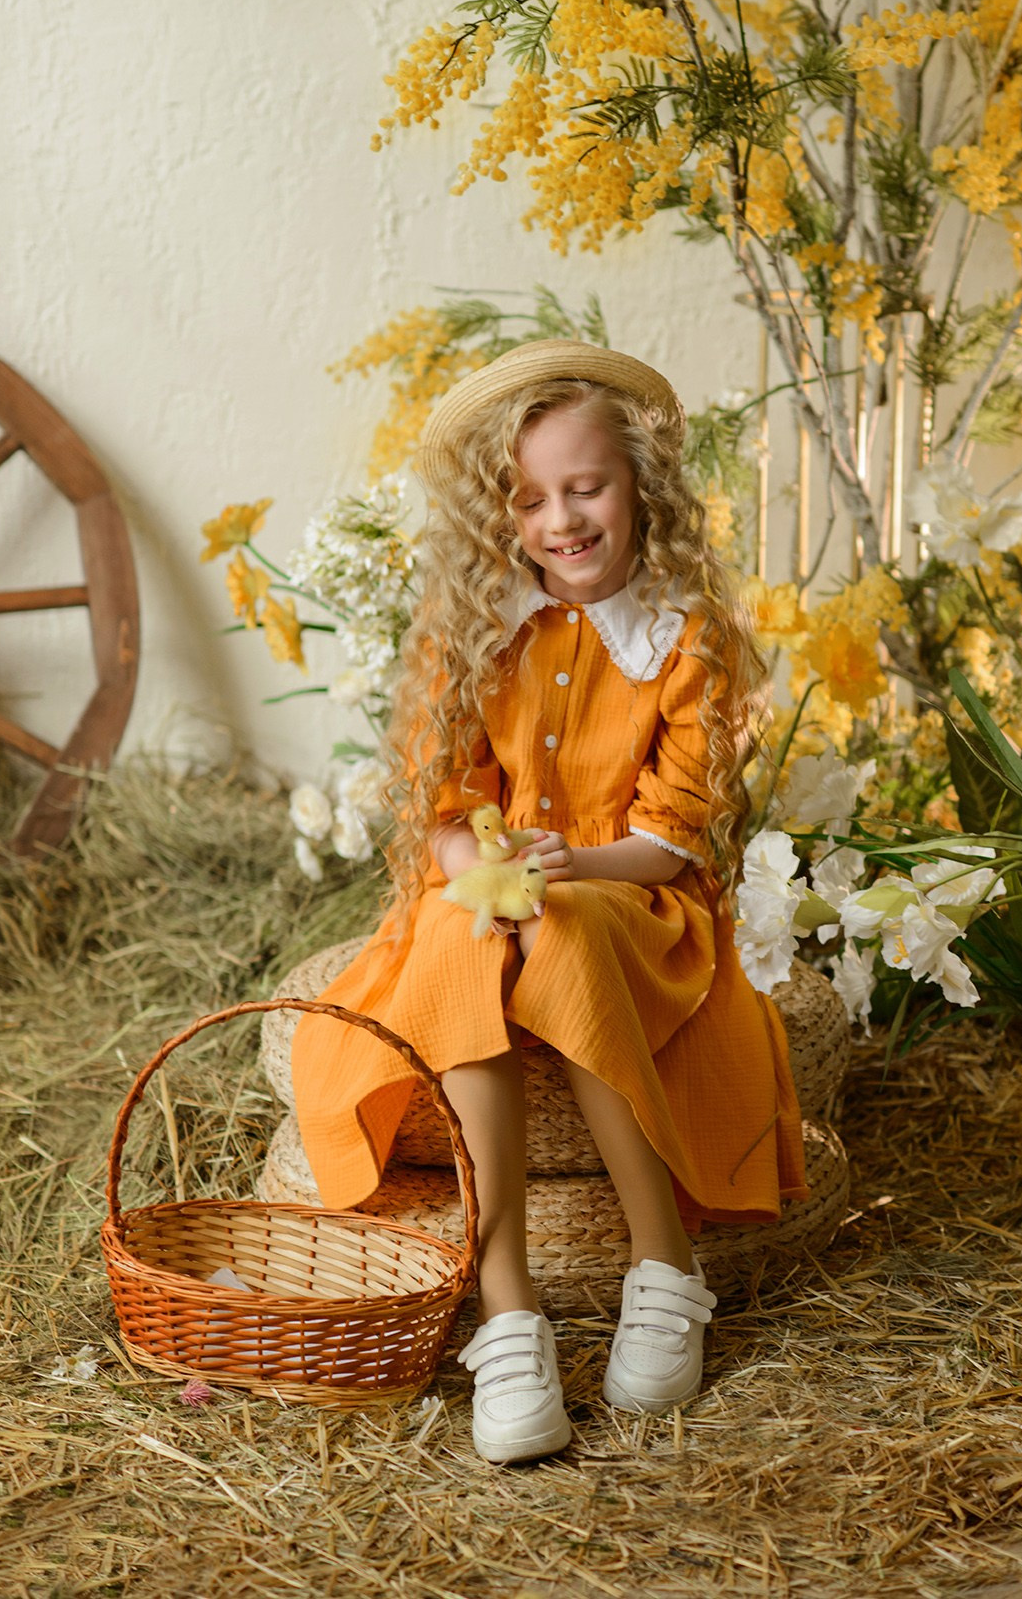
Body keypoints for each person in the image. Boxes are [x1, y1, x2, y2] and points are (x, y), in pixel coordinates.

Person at [292, 338, 809, 1464]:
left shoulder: (685, 637)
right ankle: (508, 1308)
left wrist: (571, 869)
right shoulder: (475, 633)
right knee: (460, 933)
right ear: (502, 513)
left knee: (561, 929)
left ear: (641, 490)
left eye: (586, 488)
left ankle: (662, 1263)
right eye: (531, 499)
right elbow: (440, 803)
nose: (560, 520)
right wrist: (486, 859)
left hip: (631, 898)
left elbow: (671, 839)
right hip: (493, 882)